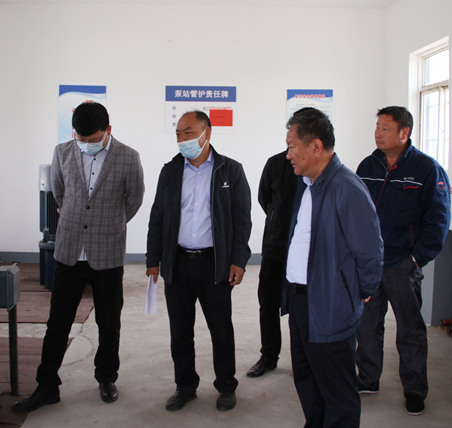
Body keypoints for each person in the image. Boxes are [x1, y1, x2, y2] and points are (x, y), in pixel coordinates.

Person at [13, 102, 145, 412]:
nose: (86, 145)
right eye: (81, 139)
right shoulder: (62, 152)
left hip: (107, 253)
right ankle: (47, 386)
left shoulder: (128, 156)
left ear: (108, 130)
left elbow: (134, 199)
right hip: (69, 251)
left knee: (108, 323)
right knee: (57, 322)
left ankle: (106, 377)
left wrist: (108, 224)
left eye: (93, 139)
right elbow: (60, 193)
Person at [283, 108, 383, 428]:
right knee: (308, 380)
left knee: (337, 390)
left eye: (292, 147)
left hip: (329, 304)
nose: (288, 155)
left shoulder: (346, 188)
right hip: (301, 300)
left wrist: (357, 291)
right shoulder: (308, 184)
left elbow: (370, 252)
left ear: (315, 146)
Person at [146, 111, 251, 412]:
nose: (183, 140)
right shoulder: (170, 171)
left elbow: (242, 220)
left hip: (214, 264)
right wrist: (153, 259)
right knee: (180, 331)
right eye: (178, 134)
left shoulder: (230, 170)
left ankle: (226, 386)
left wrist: (239, 260)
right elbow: (158, 216)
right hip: (177, 263)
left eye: (189, 133)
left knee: (221, 329)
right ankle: (185, 387)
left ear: (207, 133)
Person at [355, 106, 450, 416]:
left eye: (385, 128)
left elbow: (438, 220)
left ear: (404, 133)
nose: (378, 133)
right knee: (367, 326)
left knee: (410, 330)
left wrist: (416, 260)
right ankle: (367, 379)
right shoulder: (368, 165)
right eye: (377, 127)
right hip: (370, 263)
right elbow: (355, 209)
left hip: (401, 263)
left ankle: (414, 390)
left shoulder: (427, 169)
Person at [249, 112, 327, 378]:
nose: (290, 149)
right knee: (268, 303)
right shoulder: (276, 164)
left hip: (308, 252)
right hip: (276, 246)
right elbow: (264, 198)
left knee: (303, 306)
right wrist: (278, 221)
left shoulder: (323, 171)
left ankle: (306, 359)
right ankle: (269, 356)